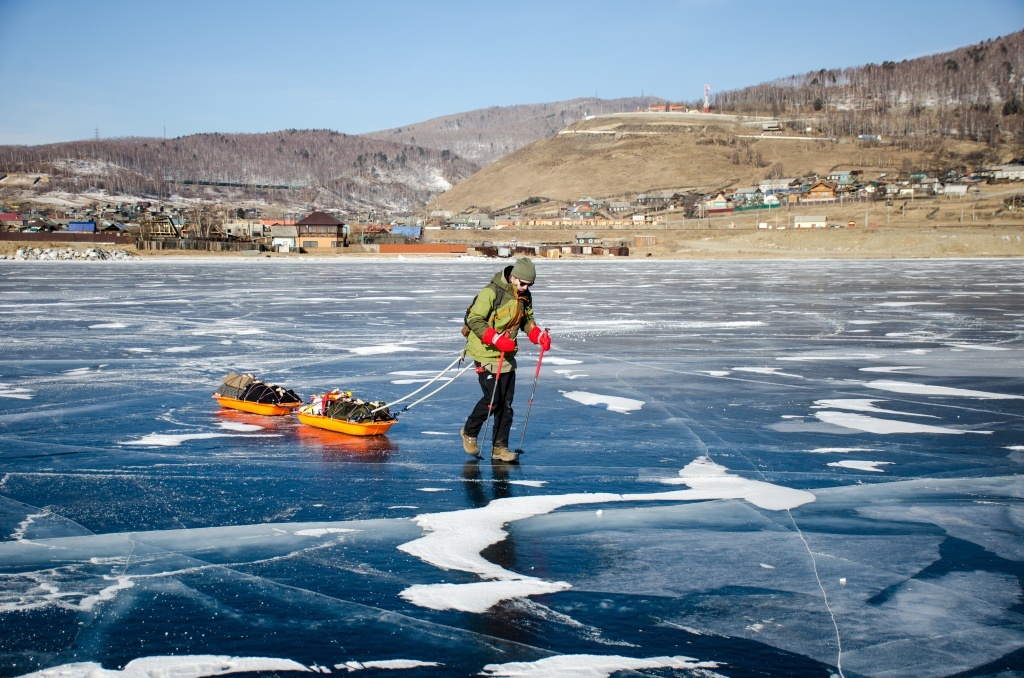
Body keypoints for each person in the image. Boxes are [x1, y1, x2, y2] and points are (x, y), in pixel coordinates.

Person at [461, 257, 551, 463]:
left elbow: (527, 320)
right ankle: (469, 432)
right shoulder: (491, 292)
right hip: (484, 351)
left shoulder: (524, 296)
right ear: (512, 277)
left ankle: (500, 447)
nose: (525, 287)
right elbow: (474, 319)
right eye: (523, 283)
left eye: (530, 284)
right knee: (493, 400)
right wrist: (495, 338)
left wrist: (538, 335)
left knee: (506, 404)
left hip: (507, 353)